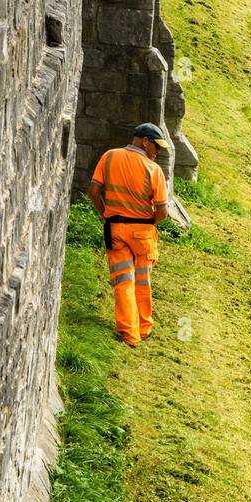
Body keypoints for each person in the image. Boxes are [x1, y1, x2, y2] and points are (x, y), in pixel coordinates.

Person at [88, 124, 170, 347]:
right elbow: (162, 211)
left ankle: (129, 335)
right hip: (142, 234)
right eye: (156, 146)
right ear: (145, 141)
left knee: (123, 281)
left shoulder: (109, 156)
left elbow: (93, 191)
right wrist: (150, 221)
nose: (158, 151)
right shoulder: (153, 170)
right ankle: (144, 328)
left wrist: (106, 214)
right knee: (142, 282)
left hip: (115, 230)